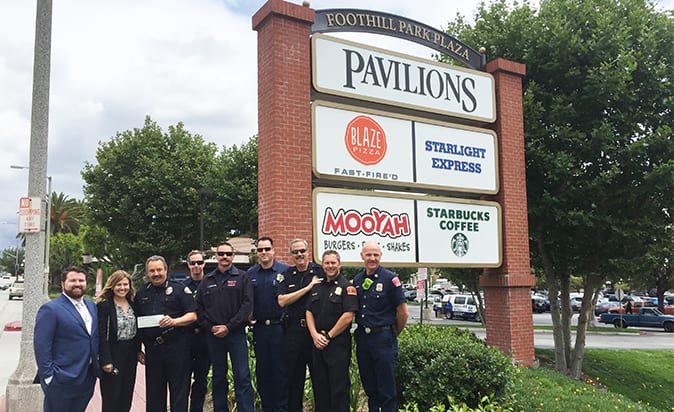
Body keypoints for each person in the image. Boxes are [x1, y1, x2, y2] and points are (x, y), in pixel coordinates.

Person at [196, 241, 254, 412]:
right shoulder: (207, 280)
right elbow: (199, 308)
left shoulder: (243, 277)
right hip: (214, 336)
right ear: (216, 256)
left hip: (236, 335)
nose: (224, 257)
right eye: (221, 254)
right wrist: (210, 327)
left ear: (233, 256)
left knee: (242, 377)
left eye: (228, 254)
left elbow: (247, 305)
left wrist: (229, 326)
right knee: (219, 377)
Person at [136, 255, 198, 412]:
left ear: (166, 270)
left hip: (177, 347)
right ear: (147, 273)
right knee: (154, 392)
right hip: (153, 349)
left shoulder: (180, 289)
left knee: (179, 391)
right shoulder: (141, 293)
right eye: (152, 271)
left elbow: (193, 315)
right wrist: (138, 349)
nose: (156, 274)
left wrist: (174, 321)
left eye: (159, 270)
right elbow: (136, 323)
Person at [353, 241, 409, 412]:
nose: (372, 258)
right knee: (370, 388)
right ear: (362, 256)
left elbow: (403, 312)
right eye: (369, 254)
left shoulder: (390, 279)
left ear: (381, 256)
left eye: (376, 255)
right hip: (363, 339)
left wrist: (392, 333)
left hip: (383, 339)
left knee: (386, 390)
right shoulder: (357, 279)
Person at [34, 266, 99, 412]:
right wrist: (49, 377)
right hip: (61, 379)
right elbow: (42, 346)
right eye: (73, 280)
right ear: (63, 284)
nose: (77, 284)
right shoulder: (50, 309)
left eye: (81, 280)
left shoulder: (91, 306)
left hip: (87, 377)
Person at [306, 250, 358, 412]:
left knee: (338, 390)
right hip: (317, 343)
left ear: (339, 265)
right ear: (323, 265)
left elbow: (348, 315)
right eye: (327, 263)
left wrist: (328, 336)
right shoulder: (317, 286)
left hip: (337, 345)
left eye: (333, 263)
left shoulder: (347, 287)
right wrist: (315, 335)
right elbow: (308, 311)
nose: (330, 266)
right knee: (320, 389)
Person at [277, 238, 324, 412]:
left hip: (315, 332)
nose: (299, 255)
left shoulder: (320, 271)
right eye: (295, 252)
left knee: (319, 379)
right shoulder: (287, 275)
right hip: (294, 332)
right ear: (292, 255)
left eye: (302, 251)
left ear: (308, 251)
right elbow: (282, 301)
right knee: (293, 380)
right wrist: (307, 288)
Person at [248, 236, 290, 411]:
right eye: (260, 250)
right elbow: (246, 300)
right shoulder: (250, 274)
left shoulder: (285, 271)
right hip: (259, 329)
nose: (264, 253)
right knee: (263, 372)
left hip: (280, 328)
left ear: (273, 250)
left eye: (267, 249)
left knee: (280, 371)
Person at [96, 270, 141, 412]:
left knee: (126, 394)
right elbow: (101, 335)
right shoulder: (104, 306)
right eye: (118, 285)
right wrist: (105, 360)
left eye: (125, 284)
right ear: (112, 286)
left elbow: (138, 331)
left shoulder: (134, 304)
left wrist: (139, 351)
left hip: (130, 355)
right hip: (113, 353)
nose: (122, 288)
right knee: (112, 396)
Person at [182, 249, 212, 412]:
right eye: (193, 263)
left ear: (204, 264)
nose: (196, 266)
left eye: (199, 262)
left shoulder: (210, 284)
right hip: (186, 339)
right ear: (188, 265)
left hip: (205, 338)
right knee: (183, 379)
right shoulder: (182, 287)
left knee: (200, 380)